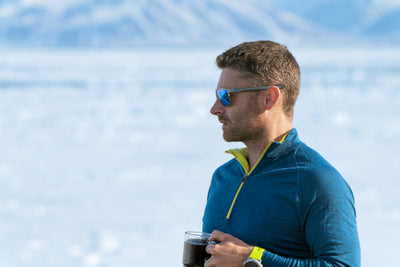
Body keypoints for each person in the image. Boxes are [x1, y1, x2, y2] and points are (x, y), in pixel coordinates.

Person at [202, 41, 361, 267]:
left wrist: (253, 259)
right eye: (217, 94)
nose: (215, 108)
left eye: (227, 96)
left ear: (269, 98)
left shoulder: (316, 181)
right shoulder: (223, 177)